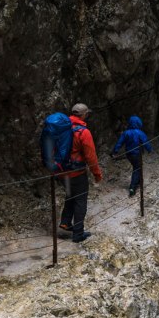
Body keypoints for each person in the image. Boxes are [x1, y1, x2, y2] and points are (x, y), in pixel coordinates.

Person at [59, 103, 103, 242]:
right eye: (86, 114)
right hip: (76, 173)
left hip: (61, 172)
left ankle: (65, 222)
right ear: (83, 115)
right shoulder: (83, 132)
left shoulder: (61, 128)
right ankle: (78, 234)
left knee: (70, 195)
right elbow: (91, 156)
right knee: (80, 201)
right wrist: (97, 174)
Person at [110, 116, 153, 197]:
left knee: (137, 167)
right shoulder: (140, 133)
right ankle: (132, 187)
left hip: (129, 154)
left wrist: (114, 152)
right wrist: (149, 149)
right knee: (137, 168)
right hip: (137, 154)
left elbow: (119, 143)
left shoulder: (126, 133)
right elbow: (145, 142)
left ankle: (139, 181)